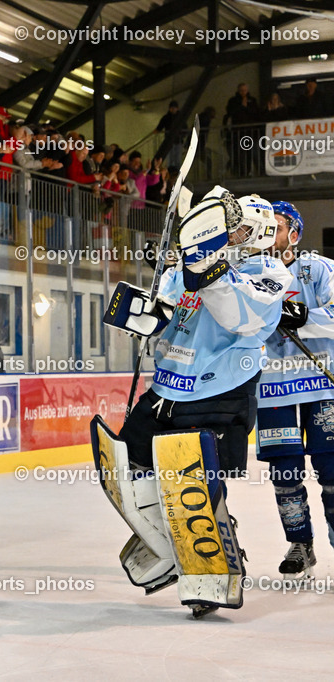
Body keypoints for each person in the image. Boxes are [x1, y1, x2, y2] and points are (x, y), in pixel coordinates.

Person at [100, 188, 291, 617]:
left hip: (218, 392)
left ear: (260, 234)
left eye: (240, 228)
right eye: (228, 226)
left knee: (194, 489)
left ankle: (213, 569)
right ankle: (170, 547)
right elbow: (167, 310)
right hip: (166, 389)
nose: (232, 234)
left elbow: (237, 315)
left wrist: (204, 264)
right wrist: (146, 315)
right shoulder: (194, 263)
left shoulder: (269, 272)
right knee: (124, 471)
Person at [255, 201, 334, 579]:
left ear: (296, 233)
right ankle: (300, 543)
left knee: (332, 469)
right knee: (284, 473)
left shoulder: (317, 268)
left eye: (277, 226)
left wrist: (305, 317)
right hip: (273, 387)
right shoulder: (249, 273)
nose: (269, 233)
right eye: (264, 227)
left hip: (321, 384)